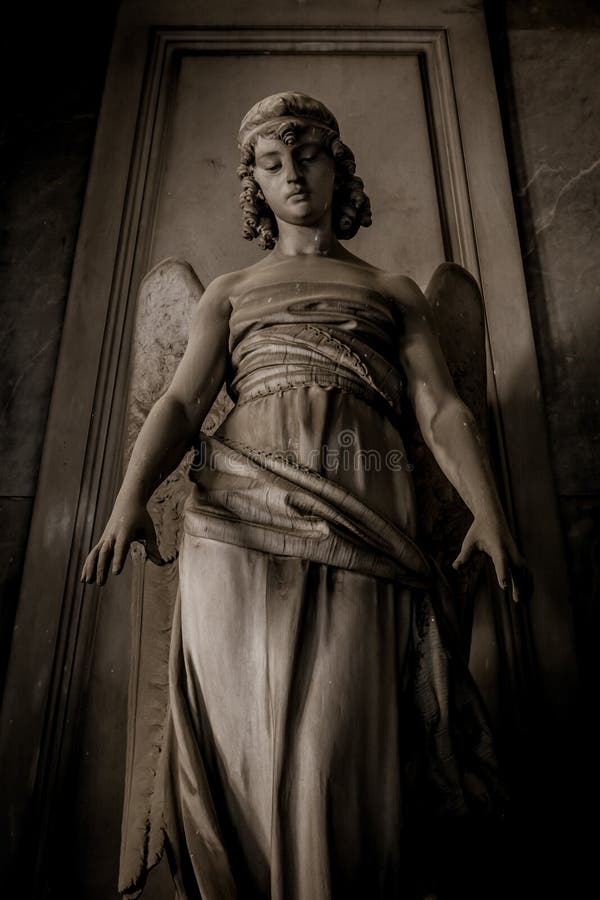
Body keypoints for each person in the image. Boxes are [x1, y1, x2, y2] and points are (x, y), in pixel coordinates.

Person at [81, 92, 527, 899]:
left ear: (337, 166)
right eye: (274, 161)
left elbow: (442, 407)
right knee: (246, 746)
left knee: (340, 744)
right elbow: (181, 404)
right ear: (253, 181)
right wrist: (129, 499)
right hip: (237, 529)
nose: (295, 173)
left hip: (369, 522)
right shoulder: (226, 291)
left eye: (310, 154)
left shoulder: (395, 291)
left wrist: (490, 511)